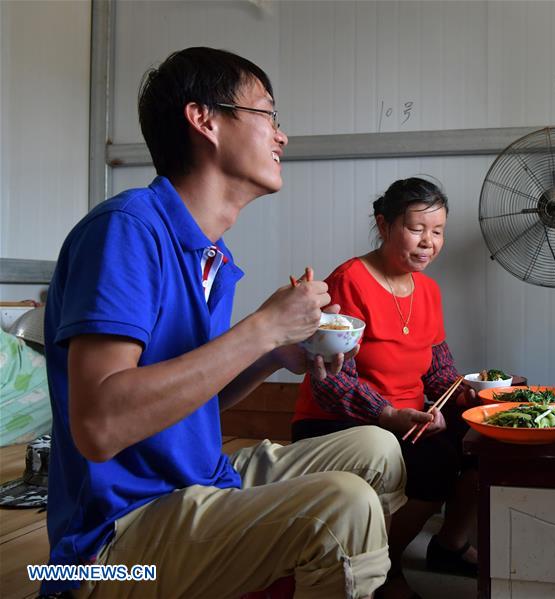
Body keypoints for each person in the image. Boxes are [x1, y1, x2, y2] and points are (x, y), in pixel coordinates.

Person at [41, 47, 406, 599]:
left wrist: (273, 355)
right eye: (269, 115)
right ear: (204, 119)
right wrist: (261, 328)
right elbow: (98, 426)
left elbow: (189, 395)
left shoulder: (209, 255)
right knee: (342, 508)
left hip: (197, 481)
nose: (282, 137)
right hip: (111, 543)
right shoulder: (127, 230)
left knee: (378, 450)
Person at [292, 177, 478, 599]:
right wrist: (388, 414)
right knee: (435, 464)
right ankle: (382, 573)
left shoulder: (428, 290)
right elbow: (332, 380)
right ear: (384, 224)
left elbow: (438, 371)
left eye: (438, 231)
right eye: (416, 229)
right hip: (340, 422)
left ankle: (443, 548)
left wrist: (469, 391)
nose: (428, 242)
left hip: (406, 418)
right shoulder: (351, 279)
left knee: (477, 444)